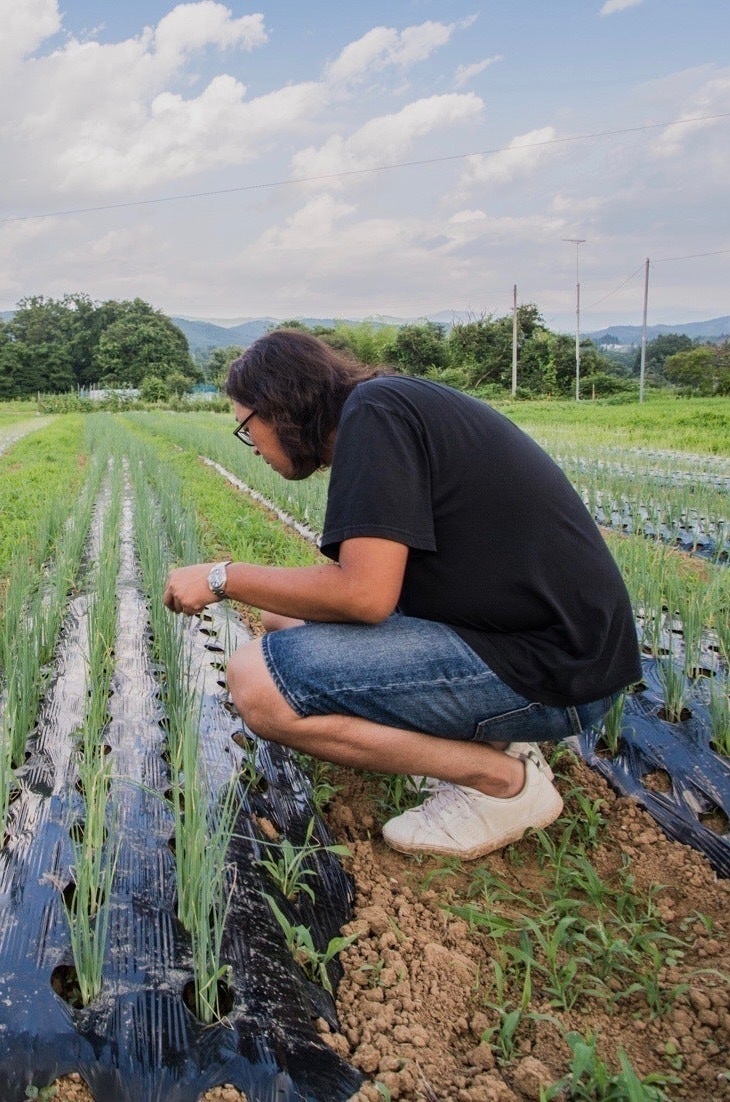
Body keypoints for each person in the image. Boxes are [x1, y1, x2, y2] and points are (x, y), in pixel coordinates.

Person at [162, 328, 641, 860]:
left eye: (246, 429)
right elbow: (366, 587)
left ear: (279, 407)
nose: (253, 449)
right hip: (530, 641)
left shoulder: (374, 414)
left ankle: (501, 781)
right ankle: (491, 737)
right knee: (279, 619)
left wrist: (221, 577)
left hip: (558, 671)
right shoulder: (381, 405)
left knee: (257, 684)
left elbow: (364, 595)